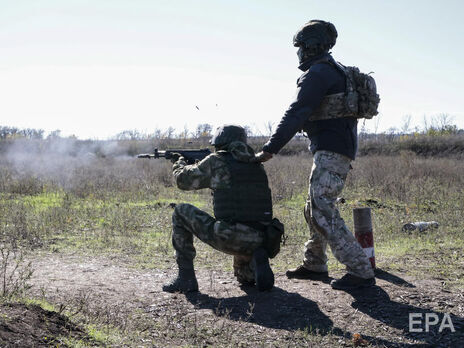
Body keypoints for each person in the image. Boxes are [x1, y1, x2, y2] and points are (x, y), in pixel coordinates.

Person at [254, 20, 375, 290]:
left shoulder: (319, 73)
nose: (298, 52)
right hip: (331, 149)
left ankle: (360, 270)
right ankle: (315, 263)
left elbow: (298, 111)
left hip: (332, 151)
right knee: (313, 207)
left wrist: (270, 149)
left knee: (322, 207)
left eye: (300, 47)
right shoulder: (333, 70)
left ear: (311, 46)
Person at [163, 125, 279, 293]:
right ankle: (254, 263)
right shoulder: (256, 164)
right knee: (244, 278)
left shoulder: (216, 161)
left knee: (181, 212)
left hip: (231, 236)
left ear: (220, 141)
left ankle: (186, 278)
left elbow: (183, 180)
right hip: (263, 238)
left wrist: (179, 162)